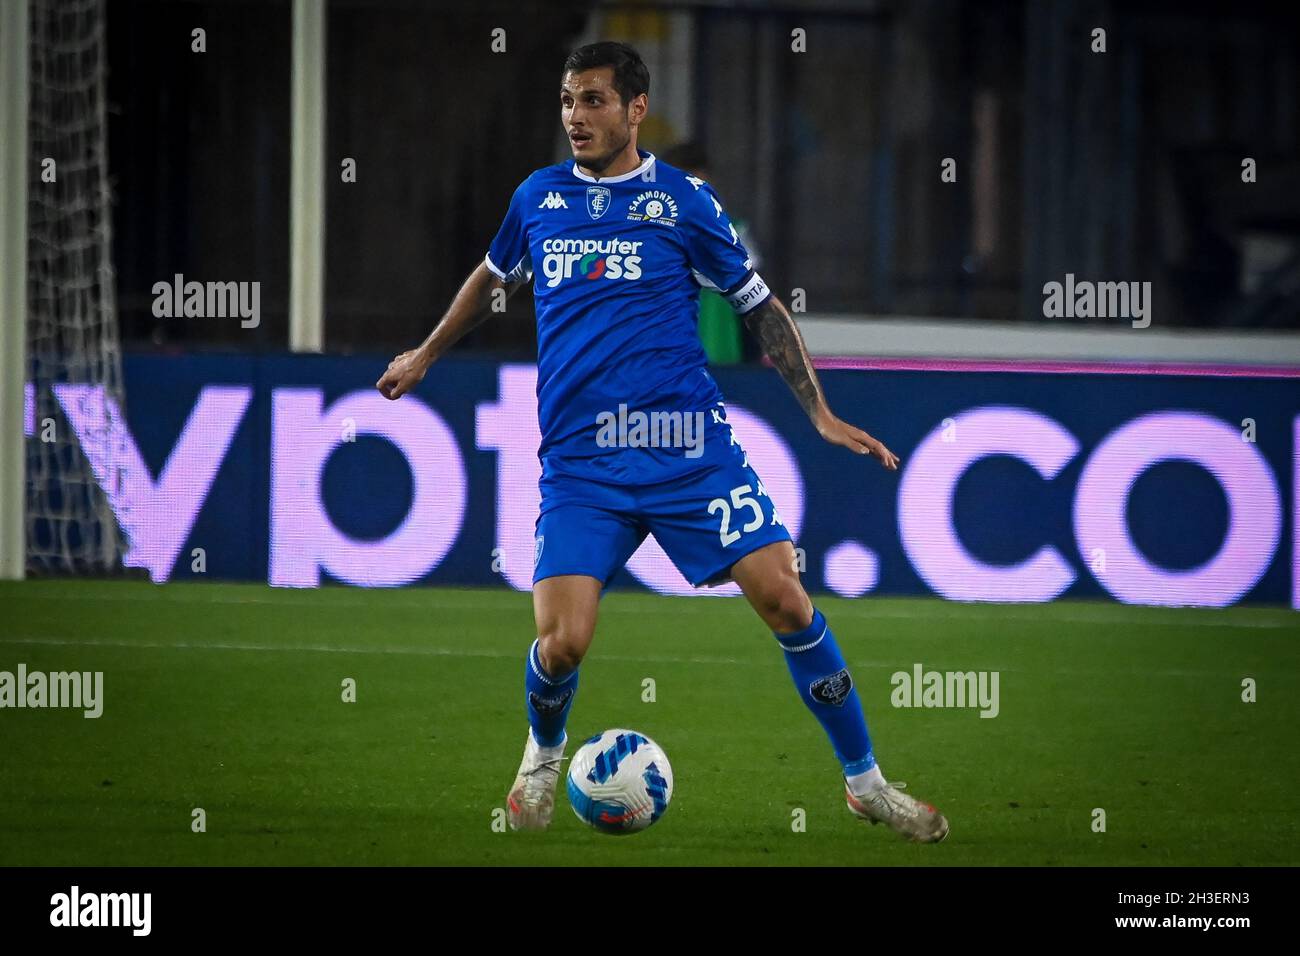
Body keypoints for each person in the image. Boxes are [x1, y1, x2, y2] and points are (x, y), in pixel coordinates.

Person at [376, 40, 948, 843]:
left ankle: (866, 783)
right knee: (563, 642)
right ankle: (542, 756)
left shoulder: (685, 202)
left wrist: (817, 412)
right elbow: (492, 277)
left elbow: (760, 306)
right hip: (584, 462)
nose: (578, 116)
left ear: (636, 109)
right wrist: (426, 353)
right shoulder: (537, 198)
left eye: (596, 101)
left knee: (788, 598)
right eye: (570, 101)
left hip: (688, 451)